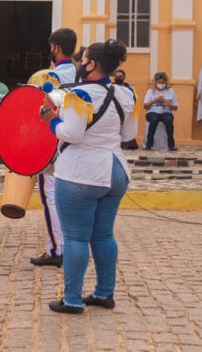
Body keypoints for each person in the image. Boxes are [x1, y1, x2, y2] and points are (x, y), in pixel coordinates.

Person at [37, 40, 135, 313]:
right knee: (103, 235)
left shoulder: (78, 95)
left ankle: (72, 299)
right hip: (115, 169)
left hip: (82, 171)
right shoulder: (125, 94)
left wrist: (51, 119)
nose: (81, 63)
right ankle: (104, 293)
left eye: (84, 59)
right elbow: (128, 135)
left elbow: (72, 134)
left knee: (76, 238)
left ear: (91, 65)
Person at [32, 27, 78, 267]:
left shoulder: (50, 77)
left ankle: (55, 248)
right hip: (75, 140)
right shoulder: (80, 75)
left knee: (49, 194)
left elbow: (42, 110)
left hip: (53, 140)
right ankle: (68, 244)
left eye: (51, 47)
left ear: (56, 48)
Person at [143, 72, 178, 151]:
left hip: (166, 112)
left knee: (168, 120)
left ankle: (171, 145)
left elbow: (176, 107)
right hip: (152, 112)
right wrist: (154, 101)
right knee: (154, 119)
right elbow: (145, 106)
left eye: (163, 82)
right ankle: (149, 144)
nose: (161, 84)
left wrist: (168, 104)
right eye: (159, 82)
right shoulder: (150, 91)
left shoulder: (171, 91)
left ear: (166, 82)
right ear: (155, 82)